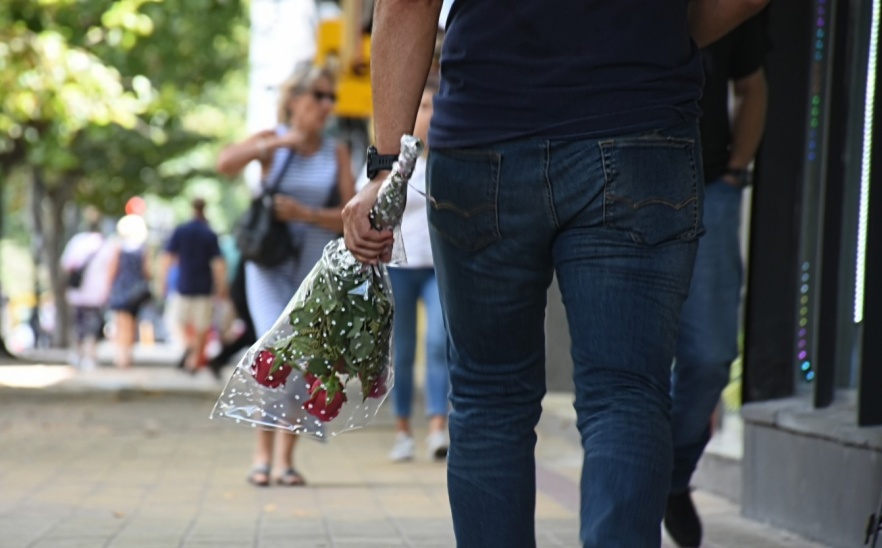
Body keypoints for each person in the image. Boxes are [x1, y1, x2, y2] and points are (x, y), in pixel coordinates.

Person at [342, 1, 769, 546]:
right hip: (639, 125)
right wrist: (654, 28)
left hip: (485, 136)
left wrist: (386, 168)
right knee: (626, 395)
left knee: (489, 396)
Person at [216, 64, 355, 487]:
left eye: (331, 97)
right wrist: (278, 143)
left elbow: (350, 216)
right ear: (294, 99)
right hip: (268, 268)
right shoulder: (272, 142)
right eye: (318, 95)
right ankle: (262, 456)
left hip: (312, 273)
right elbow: (225, 163)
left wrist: (305, 213)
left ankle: (285, 461)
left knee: (302, 362)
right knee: (276, 354)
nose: (326, 105)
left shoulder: (337, 151)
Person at [665, 14, 769, 548]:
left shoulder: (726, 9)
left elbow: (752, 87)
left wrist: (735, 172)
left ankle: (672, 475)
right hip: (617, 191)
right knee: (627, 370)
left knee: (710, 355)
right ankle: (635, 490)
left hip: (709, 189)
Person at [356, 75, 450, 462]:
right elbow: (365, 207)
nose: (428, 115)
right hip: (398, 269)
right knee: (402, 350)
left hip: (438, 268)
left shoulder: (449, 160)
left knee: (439, 344)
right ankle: (402, 430)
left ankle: (438, 427)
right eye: (422, 107)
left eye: (434, 107)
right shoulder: (389, 165)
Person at [160, 198, 228, 374]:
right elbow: (218, 264)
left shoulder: (181, 230)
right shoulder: (209, 233)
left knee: (176, 322)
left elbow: (167, 258)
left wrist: (163, 282)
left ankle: (189, 349)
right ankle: (194, 360)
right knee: (201, 327)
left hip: (183, 284)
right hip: (204, 287)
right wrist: (221, 286)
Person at [60, 207, 115, 370]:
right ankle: (90, 355)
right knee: (93, 325)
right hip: (97, 293)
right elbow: (111, 270)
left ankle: (78, 353)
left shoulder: (77, 242)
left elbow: (67, 265)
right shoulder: (105, 244)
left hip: (78, 292)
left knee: (78, 324)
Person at [107, 214, 152, 369]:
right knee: (131, 324)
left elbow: (112, 270)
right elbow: (147, 272)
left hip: (122, 289)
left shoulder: (119, 247)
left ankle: (122, 356)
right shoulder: (142, 249)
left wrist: (108, 287)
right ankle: (127, 354)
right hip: (136, 291)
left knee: (121, 323)